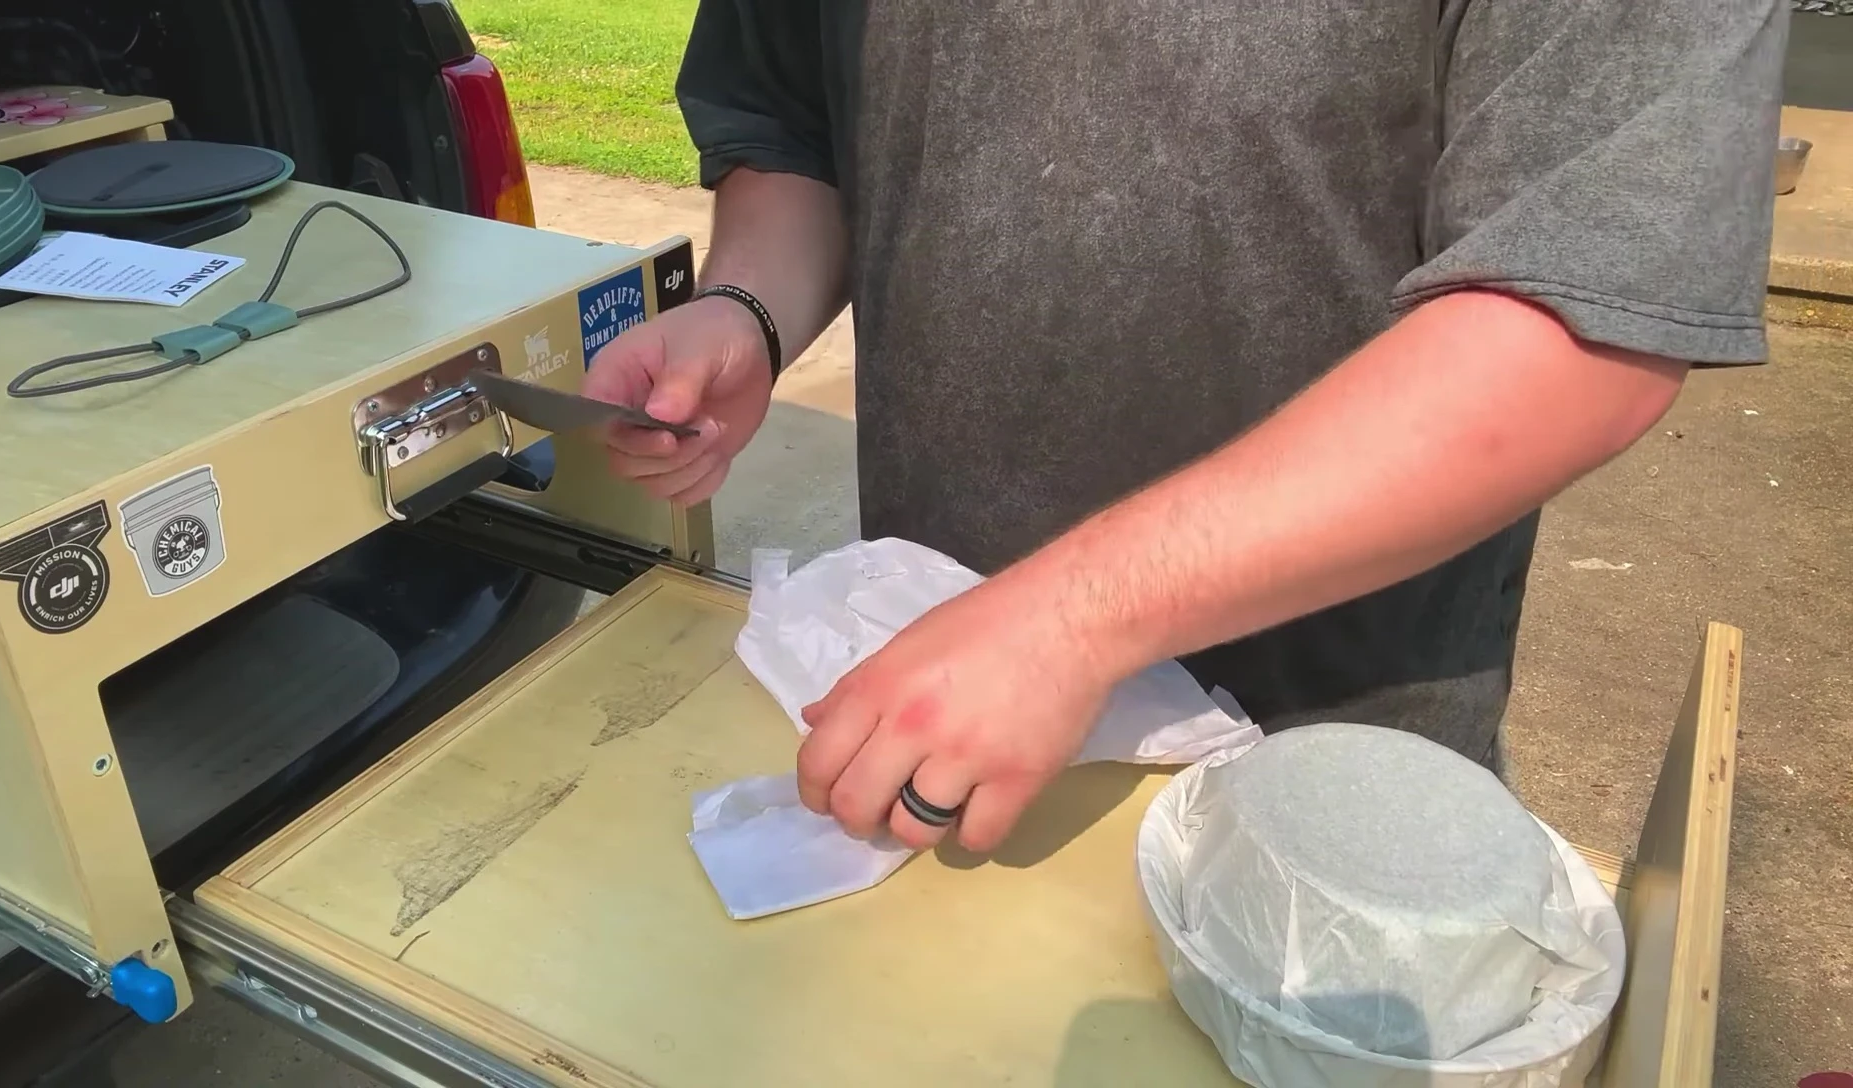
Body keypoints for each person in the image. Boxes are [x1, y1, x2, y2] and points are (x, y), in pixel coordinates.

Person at [583, 1, 1787, 855]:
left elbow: (1576, 316)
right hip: (937, 699)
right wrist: (748, 305)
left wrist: (1072, 618)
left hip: (1328, 747)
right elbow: (793, 125)